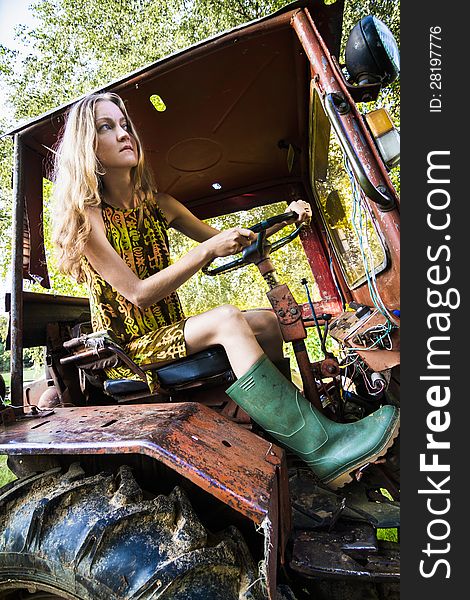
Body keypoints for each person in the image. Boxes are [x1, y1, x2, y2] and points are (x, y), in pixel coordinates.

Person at [52, 92, 399, 489]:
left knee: (267, 323)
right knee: (228, 319)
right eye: (106, 127)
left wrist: (284, 220)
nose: (123, 133)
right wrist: (204, 253)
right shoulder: (87, 220)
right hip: (130, 349)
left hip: (170, 331)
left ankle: (286, 437)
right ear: (87, 147)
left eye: (124, 124)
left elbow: (231, 242)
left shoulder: (159, 204)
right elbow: (138, 294)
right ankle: (323, 449)